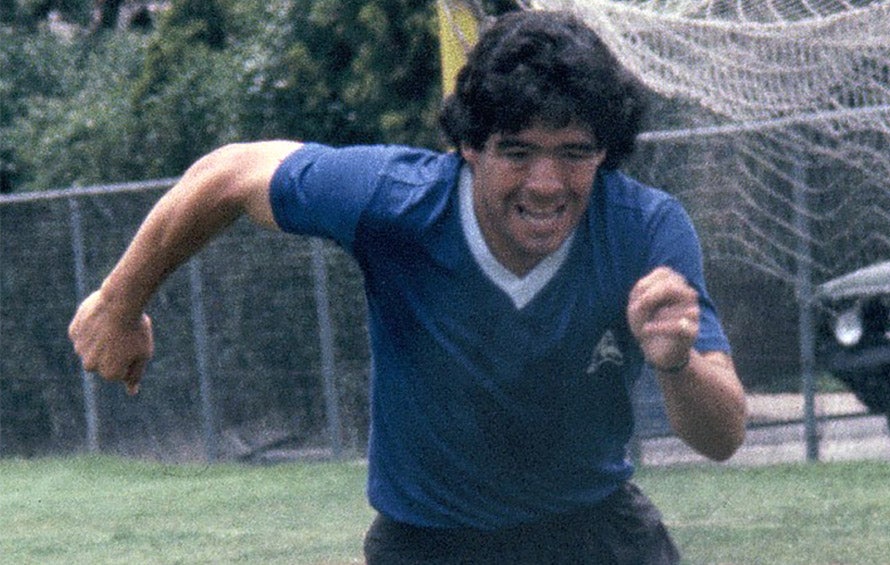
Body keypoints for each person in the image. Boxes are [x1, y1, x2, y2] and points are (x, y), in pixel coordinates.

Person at [69, 10, 746, 564]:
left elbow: (721, 436)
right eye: (517, 151)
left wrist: (677, 361)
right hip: (429, 543)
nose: (547, 183)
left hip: (595, 534)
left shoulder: (645, 230)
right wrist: (119, 302)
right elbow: (229, 175)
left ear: (604, 151)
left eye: (574, 153)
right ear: (470, 148)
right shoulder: (394, 201)